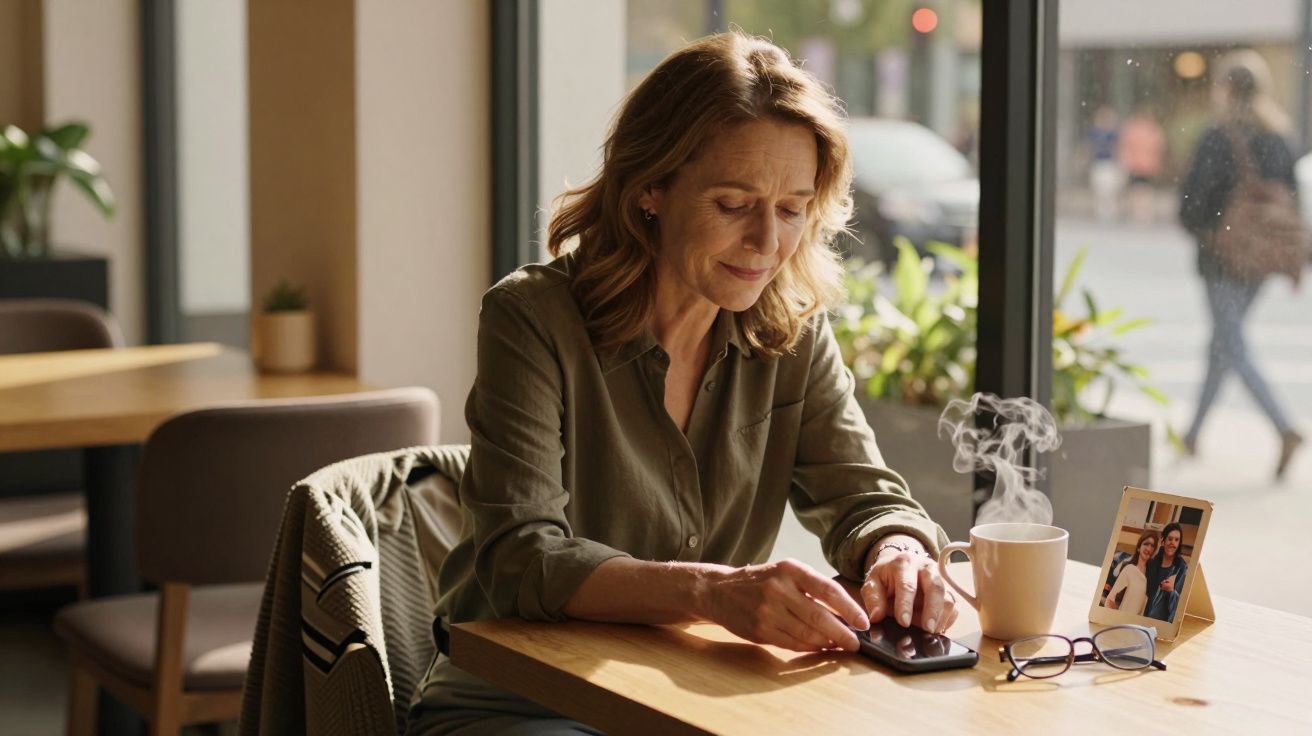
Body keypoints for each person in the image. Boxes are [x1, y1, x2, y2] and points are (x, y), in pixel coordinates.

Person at [406, 32, 954, 734]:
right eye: (733, 204)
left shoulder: (790, 329)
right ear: (650, 190)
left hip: (685, 696)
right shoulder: (533, 318)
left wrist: (899, 551)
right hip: (520, 697)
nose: (767, 244)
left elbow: (865, 498)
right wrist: (711, 592)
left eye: (792, 209)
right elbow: (520, 556)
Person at [1179, 49, 1304, 481]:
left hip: (1223, 259)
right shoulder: (1281, 137)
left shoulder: (1219, 137)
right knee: (1222, 343)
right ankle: (1192, 434)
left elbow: (1192, 205)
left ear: (1227, 88)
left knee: (1230, 343)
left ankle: (1284, 427)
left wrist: (1210, 231)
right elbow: (1292, 202)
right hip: (1261, 261)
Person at [1117, 107, 1165, 222]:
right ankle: (1143, 211)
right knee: (1144, 188)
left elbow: (1126, 146)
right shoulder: (1152, 130)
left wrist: (1127, 160)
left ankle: (1139, 211)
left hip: (1138, 164)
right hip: (1146, 165)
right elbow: (1159, 147)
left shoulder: (1134, 129)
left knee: (1138, 188)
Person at [1106, 530, 1159, 616]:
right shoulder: (1129, 569)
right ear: (1138, 548)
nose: (1148, 548)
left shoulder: (1150, 578)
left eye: (1152, 546)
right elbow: (1110, 600)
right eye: (1146, 544)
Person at [1144, 523, 1189, 622]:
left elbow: (1181, 603)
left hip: (1163, 623)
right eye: (1170, 539)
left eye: (1176, 540)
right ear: (1163, 540)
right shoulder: (1152, 562)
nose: (1173, 543)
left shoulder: (1181, 568)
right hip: (1145, 617)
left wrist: (1171, 591)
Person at [1087, 106, 1123, 222]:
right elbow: (1090, 147)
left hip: (1110, 164)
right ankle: (1101, 212)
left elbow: (1118, 148)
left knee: (1110, 190)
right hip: (1099, 163)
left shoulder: (1113, 134)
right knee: (1099, 189)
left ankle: (1110, 213)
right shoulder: (1095, 132)